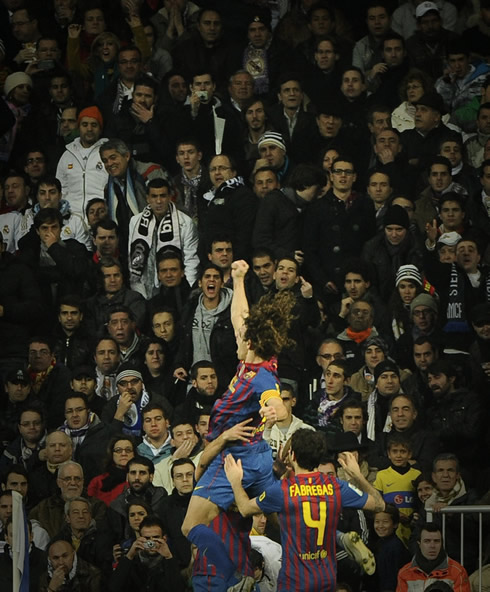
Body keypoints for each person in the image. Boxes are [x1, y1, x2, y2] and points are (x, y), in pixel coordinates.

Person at [180, 259, 293, 589]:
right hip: (256, 457)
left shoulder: (262, 377)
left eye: (241, 340)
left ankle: (234, 578)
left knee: (190, 527)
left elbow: (275, 401)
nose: (236, 341)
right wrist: (240, 280)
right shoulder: (254, 358)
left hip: (233, 458)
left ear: (251, 343)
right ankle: (243, 570)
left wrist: (276, 412)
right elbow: (239, 316)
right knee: (233, 524)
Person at [224, 429, 385, 592]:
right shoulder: (335, 486)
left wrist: (235, 481)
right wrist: (357, 474)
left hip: (294, 582)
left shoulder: (282, 490)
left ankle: (341, 538)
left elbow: (244, 509)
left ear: (292, 456)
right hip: (326, 580)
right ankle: (341, 538)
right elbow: (379, 505)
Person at [128, 178, 199, 298]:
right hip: (145, 286)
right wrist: (138, 293)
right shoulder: (135, 222)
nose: (159, 201)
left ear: (170, 197)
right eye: (154, 196)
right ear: (147, 198)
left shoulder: (185, 222)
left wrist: (188, 289)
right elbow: (133, 258)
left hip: (176, 288)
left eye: (163, 196)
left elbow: (191, 260)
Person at [109, 515, 186, 591]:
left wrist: (169, 557)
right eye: (147, 538)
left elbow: (178, 589)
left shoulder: (173, 560)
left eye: (156, 537)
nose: (151, 542)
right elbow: (114, 587)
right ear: (140, 538)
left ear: (164, 538)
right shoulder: (132, 561)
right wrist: (129, 556)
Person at [373, 433, 421, 546]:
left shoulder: (417, 475)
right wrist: (395, 514)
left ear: (410, 454)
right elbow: (377, 502)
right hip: (391, 530)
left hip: (413, 528)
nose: (398, 455)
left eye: (403, 451)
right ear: (389, 454)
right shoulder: (382, 475)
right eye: (395, 451)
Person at [397, 522, 470, 592]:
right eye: (427, 541)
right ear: (419, 544)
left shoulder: (458, 572)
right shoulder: (404, 573)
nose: (432, 546)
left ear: (442, 543)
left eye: (436, 541)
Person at [87, 435, 136, 506]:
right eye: (118, 450)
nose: (123, 454)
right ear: (111, 454)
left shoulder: (140, 478)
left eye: (128, 450)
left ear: (134, 454)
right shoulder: (98, 481)